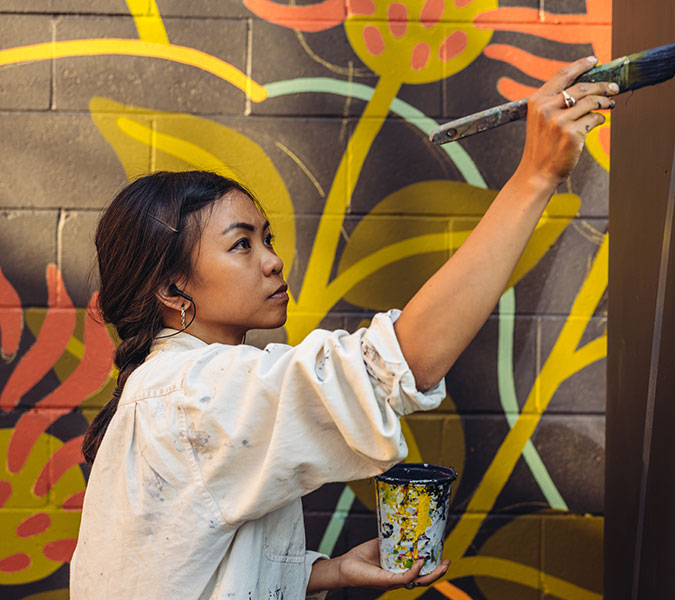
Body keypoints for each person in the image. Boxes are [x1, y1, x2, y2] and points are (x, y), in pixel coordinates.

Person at [70, 57, 617, 599]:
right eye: (241, 244)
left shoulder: (173, 390)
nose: (271, 261)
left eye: (267, 238)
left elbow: (185, 571)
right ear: (171, 291)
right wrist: (537, 176)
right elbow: (399, 365)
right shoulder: (198, 393)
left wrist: (329, 572)